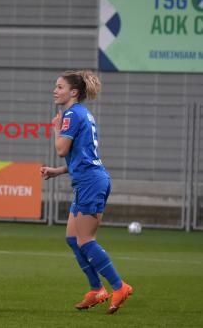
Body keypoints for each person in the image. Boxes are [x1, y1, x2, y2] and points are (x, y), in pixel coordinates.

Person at [40, 70, 133, 314]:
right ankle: (96, 290)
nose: (55, 90)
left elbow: (61, 148)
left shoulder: (70, 115)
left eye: (59, 87)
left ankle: (119, 286)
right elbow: (82, 157)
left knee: (85, 240)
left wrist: (57, 128)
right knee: (73, 239)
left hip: (91, 183)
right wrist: (57, 171)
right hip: (88, 180)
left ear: (73, 92)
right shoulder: (83, 114)